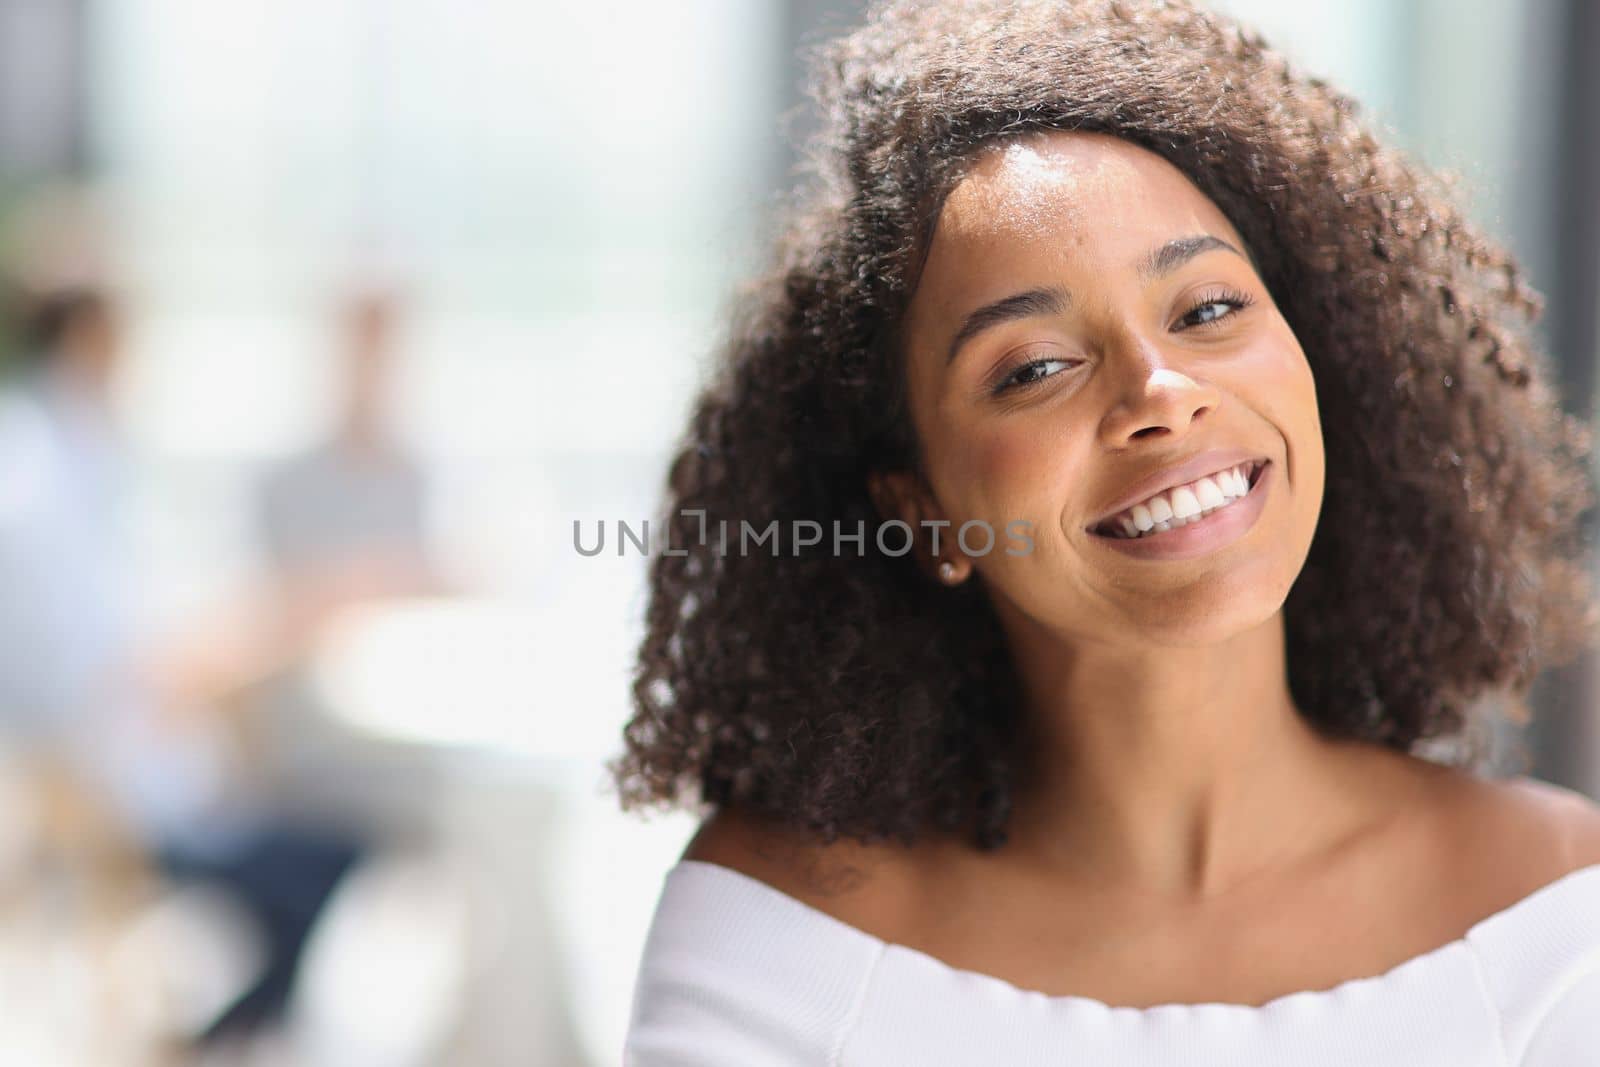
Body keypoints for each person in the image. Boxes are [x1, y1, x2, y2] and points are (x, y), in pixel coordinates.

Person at [610, 1, 1600, 1062]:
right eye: (1034, 367)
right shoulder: (782, 938)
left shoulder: (1554, 915)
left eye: (1207, 309)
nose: (1159, 392)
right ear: (925, 511)